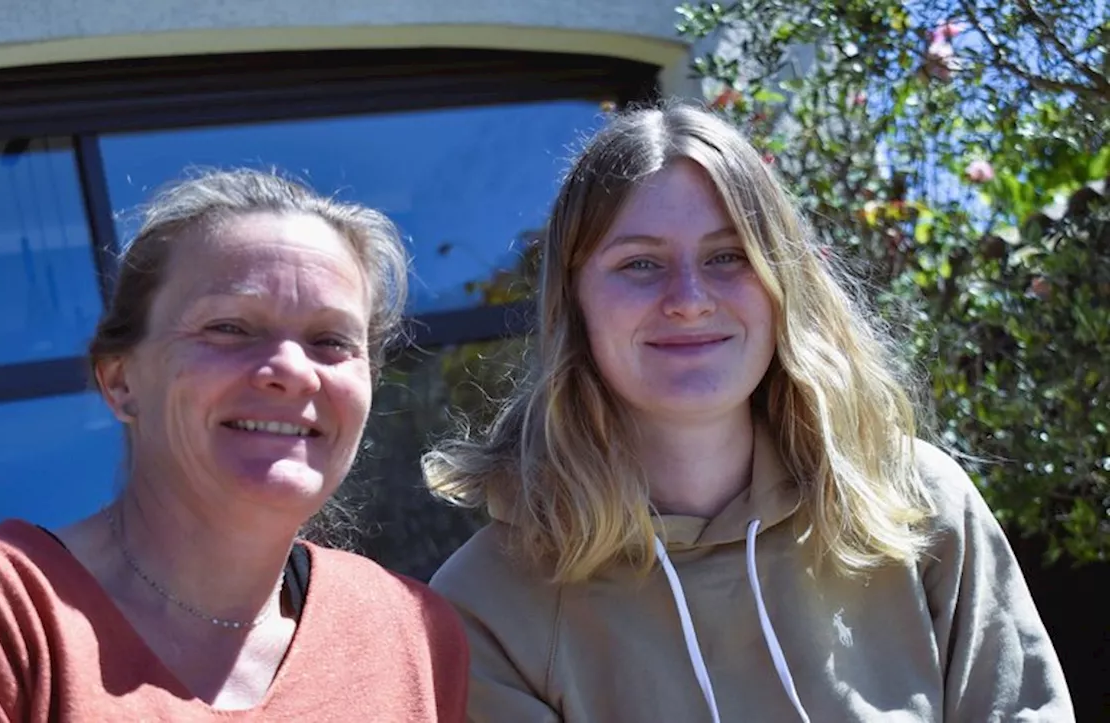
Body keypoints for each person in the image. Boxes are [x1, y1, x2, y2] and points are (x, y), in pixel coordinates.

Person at [423, 103, 1073, 722]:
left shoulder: (915, 504)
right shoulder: (485, 604)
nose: (688, 298)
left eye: (727, 256)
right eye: (640, 263)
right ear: (575, 302)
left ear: (781, 282)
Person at [0, 169, 469, 722]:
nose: (294, 370)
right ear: (121, 381)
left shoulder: (411, 631)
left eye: (331, 340)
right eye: (230, 327)